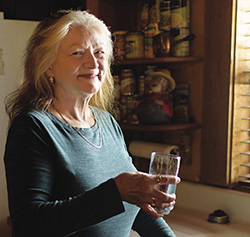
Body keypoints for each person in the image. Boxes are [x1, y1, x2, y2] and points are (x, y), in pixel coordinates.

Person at [4, 10, 181, 237]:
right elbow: (29, 226)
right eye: (77, 53)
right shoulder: (34, 128)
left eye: (99, 52)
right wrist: (115, 192)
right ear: (47, 66)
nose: (93, 62)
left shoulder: (106, 122)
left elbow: (137, 208)